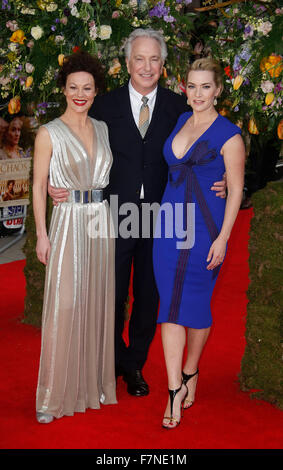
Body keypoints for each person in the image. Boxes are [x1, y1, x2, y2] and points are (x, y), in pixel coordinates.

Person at [48, 29, 226, 397]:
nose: (146, 66)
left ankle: (134, 366)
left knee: (149, 295)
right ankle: (108, 361)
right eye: (139, 59)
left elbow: (211, 143)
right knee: (108, 293)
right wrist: (56, 182)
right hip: (109, 212)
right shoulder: (102, 105)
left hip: (163, 216)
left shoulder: (180, 106)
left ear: (163, 66)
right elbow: (70, 140)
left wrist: (223, 178)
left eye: (154, 59)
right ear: (126, 63)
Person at [152, 58, 245, 429]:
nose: (198, 93)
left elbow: (237, 189)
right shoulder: (180, 121)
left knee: (197, 305)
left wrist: (223, 238)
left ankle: (191, 370)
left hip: (206, 229)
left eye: (206, 87)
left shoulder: (230, 134)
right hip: (168, 226)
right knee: (169, 307)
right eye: (192, 86)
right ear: (184, 87)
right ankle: (174, 387)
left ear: (218, 90)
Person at [33, 51, 117, 424]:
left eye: (87, 88)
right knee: (64, 305)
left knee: (95, 303)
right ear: (63, 90)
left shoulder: (102, 128)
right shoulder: (49, 132)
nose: (79, 94)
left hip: (100, 222)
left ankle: (91, 387)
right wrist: (41, 234)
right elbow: (37, 187)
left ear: (96, 91)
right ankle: (52, 397)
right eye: (73, 88)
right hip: (67, 223)